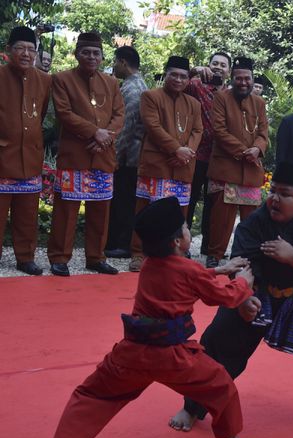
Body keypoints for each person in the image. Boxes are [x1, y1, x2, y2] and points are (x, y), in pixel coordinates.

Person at [28, 196, 257, 438]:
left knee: (91, 395)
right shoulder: (190, 271)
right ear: (176, 241)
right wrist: (244, 281)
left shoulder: (149, 264)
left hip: (131, 354)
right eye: (185, 228)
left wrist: (218, 270)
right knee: (222, 386)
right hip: (174, 358)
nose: (188, 231)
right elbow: (225, 296)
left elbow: (181, 276)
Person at [170, 162, 293, 432]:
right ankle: (192, 407)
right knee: (217, 344)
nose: (274, 199)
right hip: (259, 295)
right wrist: (243, 299)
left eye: (285, 194)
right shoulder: (256, 222)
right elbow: (241, 264)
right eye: (272, 191)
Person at [47, 32, 124, 277]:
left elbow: (119, 114)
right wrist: (94, 132)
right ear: (77, 54)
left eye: (96, 53)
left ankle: (95, 257)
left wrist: (105, 137)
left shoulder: (112, 83)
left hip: (103, 155)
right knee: (66, 210)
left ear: (102, 57)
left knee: (101, 211)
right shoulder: (62, 79)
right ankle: (59, 257)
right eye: (86, 52)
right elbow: (64, 113)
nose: (91, 57)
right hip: (75, 154)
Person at [129, 56, 203, 272]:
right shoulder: (150, 96)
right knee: (146, 210)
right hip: (157, 163)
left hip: (183, 165)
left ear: (188, 79)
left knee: (179, 212)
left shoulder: (194, 104)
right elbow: (152, 126)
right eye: (174, 75)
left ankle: (175, 253)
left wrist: (187, 151)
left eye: (183, 76)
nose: (179, 80)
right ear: (166, 74)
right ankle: (138, 253)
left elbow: (198, 130)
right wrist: (176, 149)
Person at [205, 57, 269, 269]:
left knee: (250, 219)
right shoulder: (221, 98)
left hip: (251, 169)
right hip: (227, 166)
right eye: (239, 78)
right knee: (221, 218)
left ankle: (246, 254)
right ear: (232, 79)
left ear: (252, 79)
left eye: (247, 78)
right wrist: (244, 151)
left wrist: (258, 149)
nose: (243, 82)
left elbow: (263, 132)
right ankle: (215, 254)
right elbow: (219, 131)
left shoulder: (259, 102)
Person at [0, 27, 52, 275]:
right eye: (20, 47)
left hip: (30, 155)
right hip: (2, 156)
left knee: (27, 213)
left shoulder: (44, 80)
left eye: (31, 49)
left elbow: (40, 113)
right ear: (9, 49)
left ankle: (25, 257)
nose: (26, 53)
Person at [185, 51, 231, 256]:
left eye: (223, 65)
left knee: (213, 204)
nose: (218, 67)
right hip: (195, 154)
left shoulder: (231, 94)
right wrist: (193, 70)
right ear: (208, 65)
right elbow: (174, 82)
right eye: (215, 63)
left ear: (229, 71)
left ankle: (208, 246)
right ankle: (183, 243)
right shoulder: (195, 85)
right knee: (189, 199)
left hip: (219, 158)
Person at [105, 45, 147, 259]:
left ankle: (122, 244)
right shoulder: (138, 84)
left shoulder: (132, 88)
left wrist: (115, 156)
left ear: (122, 62)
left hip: (129, 156)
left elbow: (126, 127)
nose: (114, 67)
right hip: (132, 155)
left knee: (123, 201)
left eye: (115, 62)